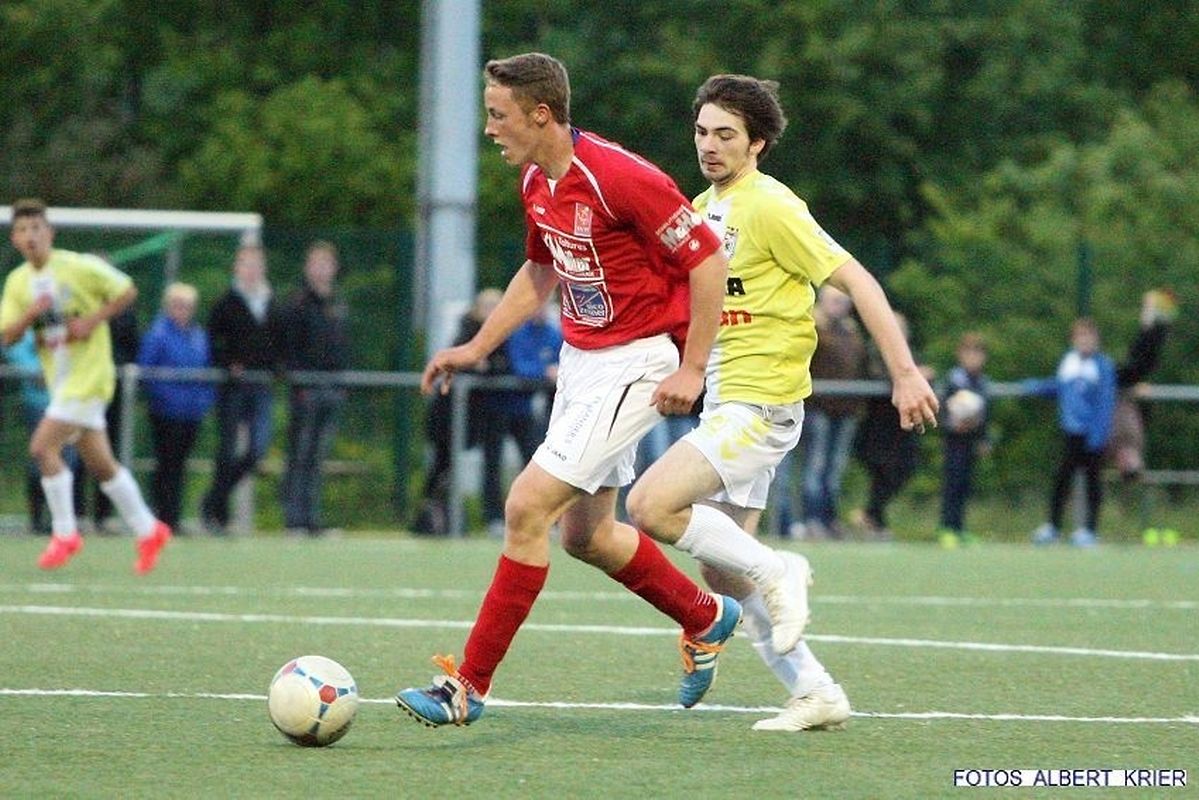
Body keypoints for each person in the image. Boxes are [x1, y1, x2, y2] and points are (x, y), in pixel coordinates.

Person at [396, 52, 739, 727]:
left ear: (541, 114)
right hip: (582, 362)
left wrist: (692, 368)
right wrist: (475, 347)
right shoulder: (535, 179)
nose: (489, 128)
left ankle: (466, 686)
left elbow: (707, 260)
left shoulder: (621, 177)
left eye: (498, 115)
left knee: (526, 506)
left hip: (637, 360)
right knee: (587, 535)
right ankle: (705, 615)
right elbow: (538, 273)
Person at [626, 75, 939, 732]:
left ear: (757, 144)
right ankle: (815, 691)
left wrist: (904, 372)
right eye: (702, 132)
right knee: (721, 569)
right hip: (726, 403)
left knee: (650, 505)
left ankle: (782, 567)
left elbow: (857, 280)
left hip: (761, 403)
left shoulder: (770, 206)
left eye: (725, 135)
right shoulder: (699, 208)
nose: (709, 146)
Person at [0, 198, 171, 572]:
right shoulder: (17, 282)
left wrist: (93, 320)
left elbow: (126, 290)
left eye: (37, 228)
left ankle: (65, 533)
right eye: (23, 230)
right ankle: (149, 529)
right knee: (102, 464)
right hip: (61, 384)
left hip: (90, 377)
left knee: (42, 447)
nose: (31, 236)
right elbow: (7, 336)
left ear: (50, 233)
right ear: (14, 238)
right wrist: (31, 313)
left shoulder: (77, 266)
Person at [200, 244, 283, 534]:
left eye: (257, 265)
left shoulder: (272, 302)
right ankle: (218, 514)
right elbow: (212, 342)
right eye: (247, 264)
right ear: (237, 268)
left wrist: (278, 366)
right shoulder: (224, 303)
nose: (252, 270)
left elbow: (279, 342)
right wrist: (228, 363)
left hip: (261, 386)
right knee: (226, 450)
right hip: (233, 388)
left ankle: (213, 498)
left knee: (257, 449)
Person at [775, 284, 868, 540]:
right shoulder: (810, 328)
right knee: (813, 467)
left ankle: (828, 518)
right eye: (835, 300)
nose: (841, 306)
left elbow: (860, 366)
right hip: (816, 408)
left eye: (845, 301)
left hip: (845, 409)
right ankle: (810, 519)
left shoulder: (851, 333)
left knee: (834, 469)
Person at [412, 288, 504, 537]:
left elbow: (503, 366)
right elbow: (461, 364)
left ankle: (477, 519)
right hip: (449, 416)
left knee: (488, 464)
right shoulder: (466, 332)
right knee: (442, 466)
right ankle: (429, 517)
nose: (492, 312)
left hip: (481, 415)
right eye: (487, 306)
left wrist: (489, 366)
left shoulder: (505, 335)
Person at [279, 241, 350, 537]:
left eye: (326, 264)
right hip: (305, 388)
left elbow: (342, 347)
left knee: (318, 457)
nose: (321, 270)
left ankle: (311, 519)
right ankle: (294, 519)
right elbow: (288, 347)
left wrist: (342, 381)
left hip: (331, 388)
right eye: (316, 263)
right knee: (300, 454)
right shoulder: (296, 303)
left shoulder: (337, 304)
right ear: (307, 268)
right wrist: (298, 379)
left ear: (334, 268)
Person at [1027, 317, 1117, 547]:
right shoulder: (1069, 362)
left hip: (1092, 434)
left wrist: (1098, 435)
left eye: (1089, 336)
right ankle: (1053, 527)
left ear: (1096, 339)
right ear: (1074, 340)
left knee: (1093, 481)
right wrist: (1035, 386)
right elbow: (1059, 387)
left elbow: (1105, 403)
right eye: (1080, 336)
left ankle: (1089, 531)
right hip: (1071, 432)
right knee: (1062, 479)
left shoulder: (1103, 366)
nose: (1085, 341)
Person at [481, 301, 563, 537]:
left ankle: (542, 517)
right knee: (492, 464)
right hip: (499, 407)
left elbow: (564, 364)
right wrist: (545, 371)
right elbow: (519, 367)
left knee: (536, 462)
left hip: (526, 411)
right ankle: (494, 519)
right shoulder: (516, 332)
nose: (539, 310)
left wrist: (554, 371)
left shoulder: (553, 333)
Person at [137, 282, 215, 532]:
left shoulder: (198, 336)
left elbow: (206, 370)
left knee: (180, 465)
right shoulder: (158, 334)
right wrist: (164, 397)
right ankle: (162, 517)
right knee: (166, 464)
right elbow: (147, 370)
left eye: (188, 306)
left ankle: (174, 516)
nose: (183, 310)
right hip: (165, 410)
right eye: (178, 305)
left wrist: (203, 400)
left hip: (192, 411)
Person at [851, 312, 934, 540]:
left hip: (902, 426)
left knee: (904, 469)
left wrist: (921, 376)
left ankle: (871, 516)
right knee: (882, 472)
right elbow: (877, 379)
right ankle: (873, 518)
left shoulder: (910, 357)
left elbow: (923, 380)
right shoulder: (872, 355)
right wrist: (907, 377)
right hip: (876, 425)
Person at [4, 329, 83, 534]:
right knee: (40, 457)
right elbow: (13, 346)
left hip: (68, 402)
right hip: (39, 403)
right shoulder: (27, 327)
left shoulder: (64, 323)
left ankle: (63, 520)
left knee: (69, 459)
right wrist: (37, 371)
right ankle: (38, 519)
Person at [1108, 289, 1175, 480]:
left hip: (1109, 387)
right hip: (1125, 388)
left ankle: (1154, 319)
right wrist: (1144, 397)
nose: (1127, 458)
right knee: (1145, 363)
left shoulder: (1109, 447)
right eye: (1133, 461)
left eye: (1125, 464)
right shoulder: (1137, 443)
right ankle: (1155, 321)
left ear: (1119, 465)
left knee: (1140, 365)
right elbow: (1143, 417)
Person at [87, 301, 138, 533]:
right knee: (69, 454)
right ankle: (73, 518)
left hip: (101, 391)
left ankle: (142, 524)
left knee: (105, 457)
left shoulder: (121, 306)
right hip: (80, 390)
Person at [936, 332, 991, 548]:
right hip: (954, 442)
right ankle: (946, 528)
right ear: (960, 355)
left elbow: (985, 414)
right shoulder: (954, 380)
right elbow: (943, 410)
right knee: (952, 484)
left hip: (971, 442)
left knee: (965, 486)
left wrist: (984, 438)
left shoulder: (982, 382)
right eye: (969, 353)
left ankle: (959, 528)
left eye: (977, 354)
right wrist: (952, 424)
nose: (973, 358)